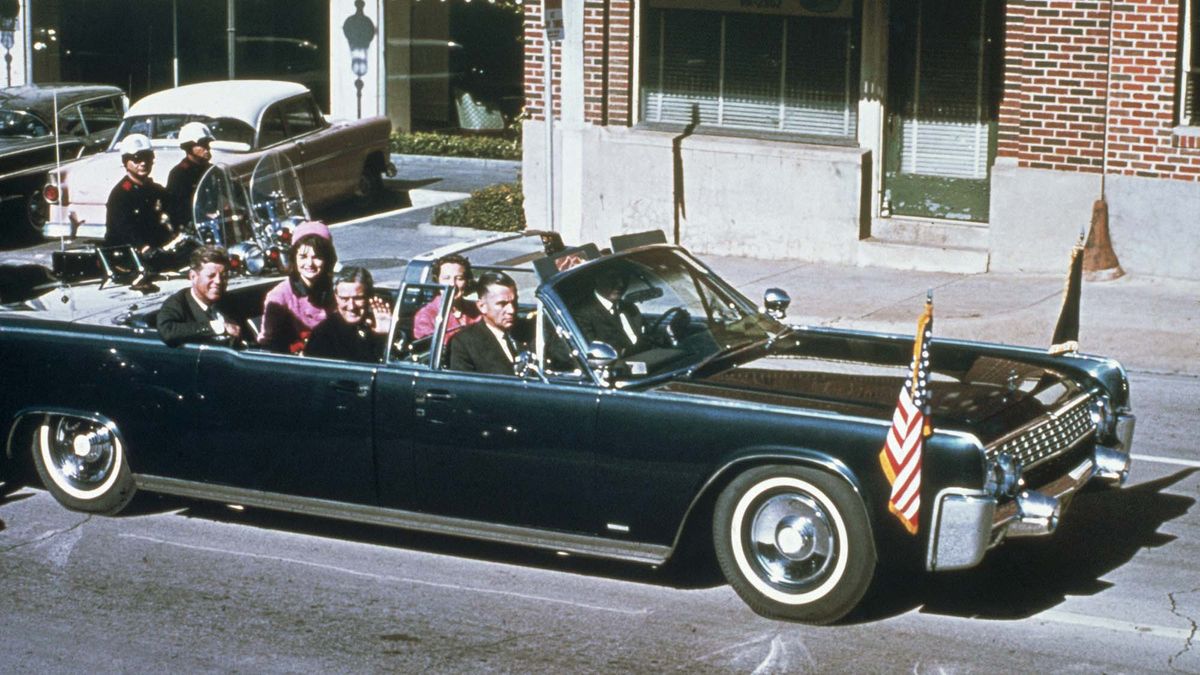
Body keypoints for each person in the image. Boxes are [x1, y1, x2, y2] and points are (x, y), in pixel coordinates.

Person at [259, 220, 337, 354]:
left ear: (328, 259)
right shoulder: (279, 296)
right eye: (303, 256)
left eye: (317, 257)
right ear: (294, 259)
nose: (309, 263)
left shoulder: (338, 288)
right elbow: (267, 343)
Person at [157, 245, 246, 347]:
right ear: (193, 276)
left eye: (224, 276)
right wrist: (218, 327)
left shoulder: (229, 301)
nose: (218, 281)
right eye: (211, 276)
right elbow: (167, 331)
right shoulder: (178, 303)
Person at [305, 267, 392, 362]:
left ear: (369, 295)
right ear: (335, 297)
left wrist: (386, 335)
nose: (351, 306)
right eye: (344, 299)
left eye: (358, 298)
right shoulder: (323, 334)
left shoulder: (380, 323)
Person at [104, 133, 174, 250]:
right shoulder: (120, 194)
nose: (143, 163)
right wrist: (143, 246)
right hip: (130, 256)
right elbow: (123, 230)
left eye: (147, 157)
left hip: (156, 249)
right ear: (125, 162)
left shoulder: (156, 190)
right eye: (137, 159)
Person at [448, 271, 524, 375]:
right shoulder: (466, 343)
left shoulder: (531, 330)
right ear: (482, 306)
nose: (511, 310)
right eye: (502, 304)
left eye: (514, 302)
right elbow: (465, 387)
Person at [571, 269, 644, 355]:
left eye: (625, 278)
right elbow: (594, 354)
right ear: (597, 279)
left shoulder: (630, 308)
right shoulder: (582, 314)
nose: (621, 284)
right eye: (612, 278)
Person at [412, 253, 480, 343]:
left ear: (466, 281)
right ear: (437, 281)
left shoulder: (476, 309)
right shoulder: (426, 316)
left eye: (459, 278)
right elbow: (430, 347)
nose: (452, 284)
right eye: (446, 278)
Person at [165, 122, 214, 230]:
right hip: (195, 229)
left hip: (217, 225)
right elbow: (178, 209)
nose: (207, 148)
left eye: (207, 143)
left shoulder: (212, 170)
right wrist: (204, 216)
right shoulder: (179, 174)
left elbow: (234, 189)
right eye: (202, 144)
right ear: (189, 147)